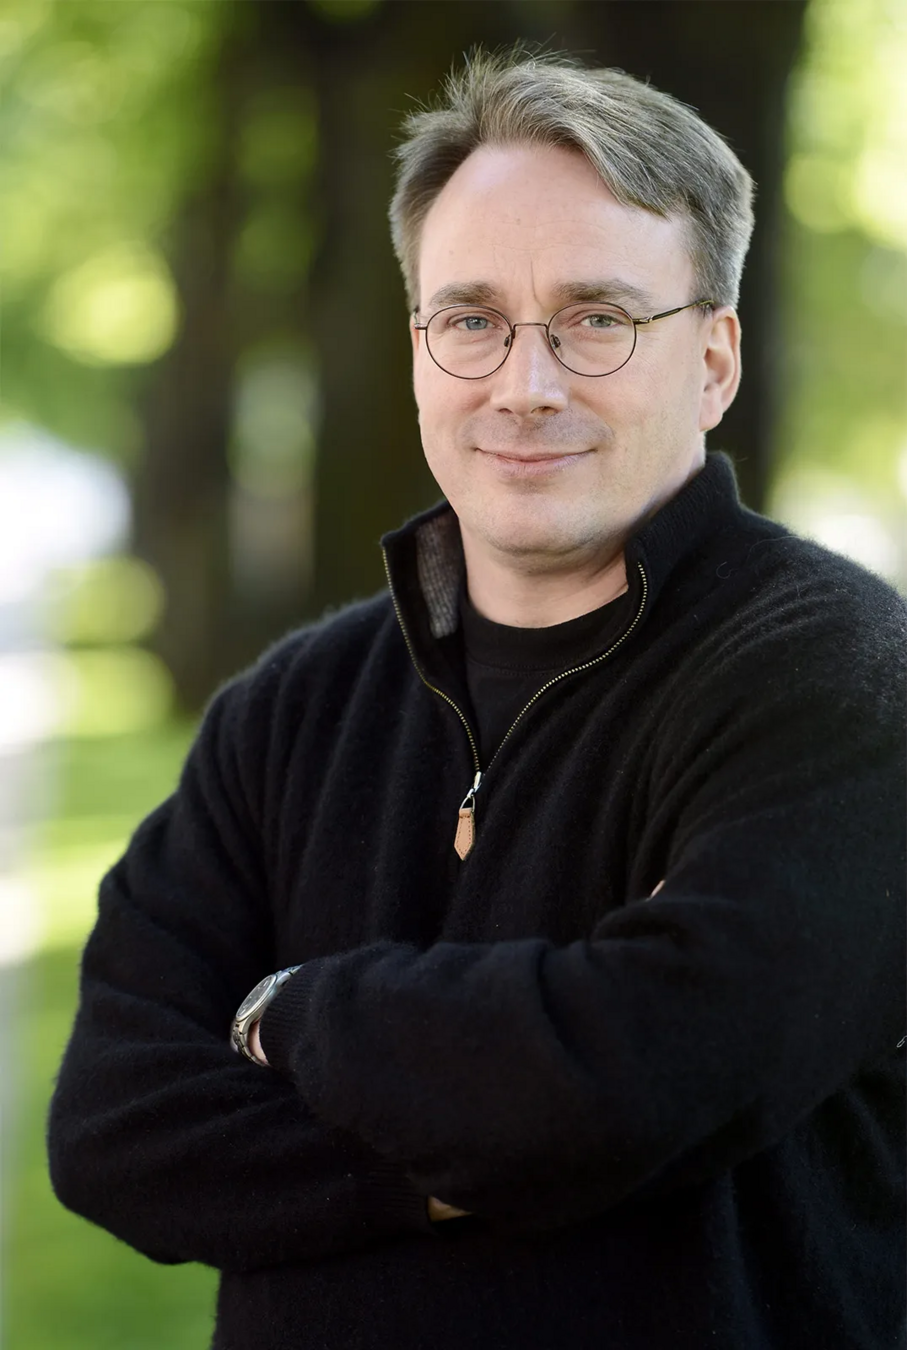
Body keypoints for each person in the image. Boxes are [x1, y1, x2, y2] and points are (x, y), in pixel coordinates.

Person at [47, 49, 905, 1350]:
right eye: (470, 319)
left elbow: (651, 1072)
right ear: (417, 350)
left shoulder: (843, 679)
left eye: (596, 318)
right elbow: (115, 1126)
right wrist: (506, 1135)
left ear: (715, 358)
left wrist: (291, 1011)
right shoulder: (287, 709)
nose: (524, 383)